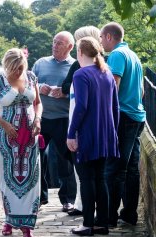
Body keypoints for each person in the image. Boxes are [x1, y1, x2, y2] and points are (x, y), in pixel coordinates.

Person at [0, 48, 42, 237]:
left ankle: (28, 225)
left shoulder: (32, 78)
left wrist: (38, 120)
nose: (18, 72)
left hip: (30, 137)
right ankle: (9, 219)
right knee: (7, 178)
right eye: (15, 69)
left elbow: (38, 103)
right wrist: (4, 123)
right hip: (7, 138)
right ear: (7, 66)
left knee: (31, 178)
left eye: (21, 68)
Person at [67, 36, 119, 236]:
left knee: (87, 179)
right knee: (100, 179)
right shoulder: (107, 73)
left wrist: (71, 133)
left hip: (87, 134)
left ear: (80, 52)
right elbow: (116, 107)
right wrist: (112, 132)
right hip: (106, 134)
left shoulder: (81, 75)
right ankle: (101, 223)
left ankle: (88, 224)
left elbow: (81, 107)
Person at [101, 22, 146, 227]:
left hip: (124, 117)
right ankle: (129, 213)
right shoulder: (133, 55)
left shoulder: (117, 55)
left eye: (102, 38)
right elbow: (143, 92)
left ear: (109, 37)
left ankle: (109, 217)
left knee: (114, 168)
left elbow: (114, 86)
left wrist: (105, 115)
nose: (101, 42)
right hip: (137, 117)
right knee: (131, 170)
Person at [32, 31, 77, 211]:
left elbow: (79, 92)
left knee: (66, 160)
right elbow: (28, 84)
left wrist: (64, 91)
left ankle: (68, 199)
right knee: (36, 158)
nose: (55, 45)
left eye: (60, 43)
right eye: (54, 42)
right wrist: (39, 88)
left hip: (63, 118)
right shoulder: (40, 63)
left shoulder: (75, 65)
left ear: (70, 47)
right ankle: (40, 198)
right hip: (41, 119)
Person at [61, 26, 102, 217]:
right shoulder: (103, 70)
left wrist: (71, 133)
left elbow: (81, 106)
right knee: (97, 176)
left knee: (87, 175)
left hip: (84, 127)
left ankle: (88, 218)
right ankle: (100, 217)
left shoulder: (82, 71)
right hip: (101, 128)